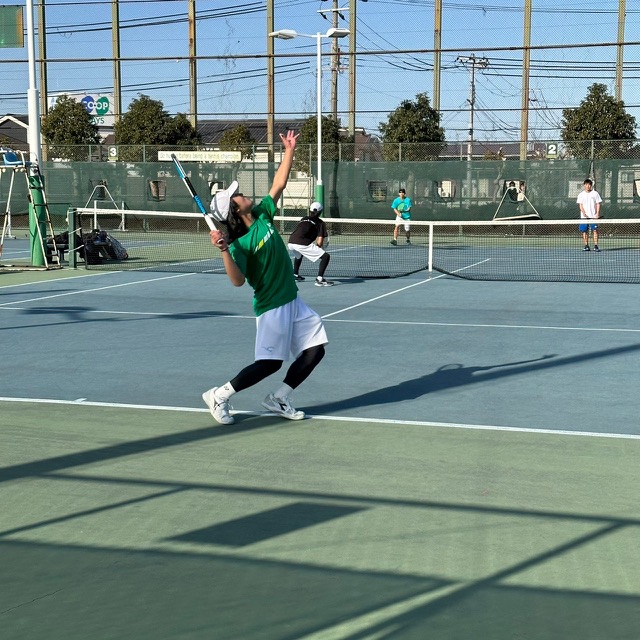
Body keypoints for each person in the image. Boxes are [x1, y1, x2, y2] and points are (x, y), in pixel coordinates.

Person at [202, 130, 328, 425]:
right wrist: (224, 250)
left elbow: (278, 184)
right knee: (269, 363)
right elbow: (237, 281)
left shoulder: (262, 215)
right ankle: (219, 395)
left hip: (292, 299)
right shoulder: (239, 245)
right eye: (237, 195)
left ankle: (279, 397)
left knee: (315, 350)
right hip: (271, 306)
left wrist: (290, 150)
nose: (242, 193)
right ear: (235, 209)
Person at [287, 201, 334, 287]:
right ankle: (319, 279)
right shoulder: (320, 223)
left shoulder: (303, 219)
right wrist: (319, 248)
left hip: (291, 242)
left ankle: (295, 275)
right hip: (302, 243)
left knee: (299, 255)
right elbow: (320, 240)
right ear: (320, 212)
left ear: (310, 210)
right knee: (325, 256)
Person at [577, 178, 602, 252]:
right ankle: (586, 246)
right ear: (584, 185)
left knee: (595, 230)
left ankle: (596, 246)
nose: (588, 186)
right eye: (586, 184)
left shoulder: (595, 193)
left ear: (591, 185)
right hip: (584, 217)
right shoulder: (581, 194)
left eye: (589, 185)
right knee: (584, 231)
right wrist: (584, 213)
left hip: (593, 217)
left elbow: (598, 204)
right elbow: (580, 205)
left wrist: (597, 213)